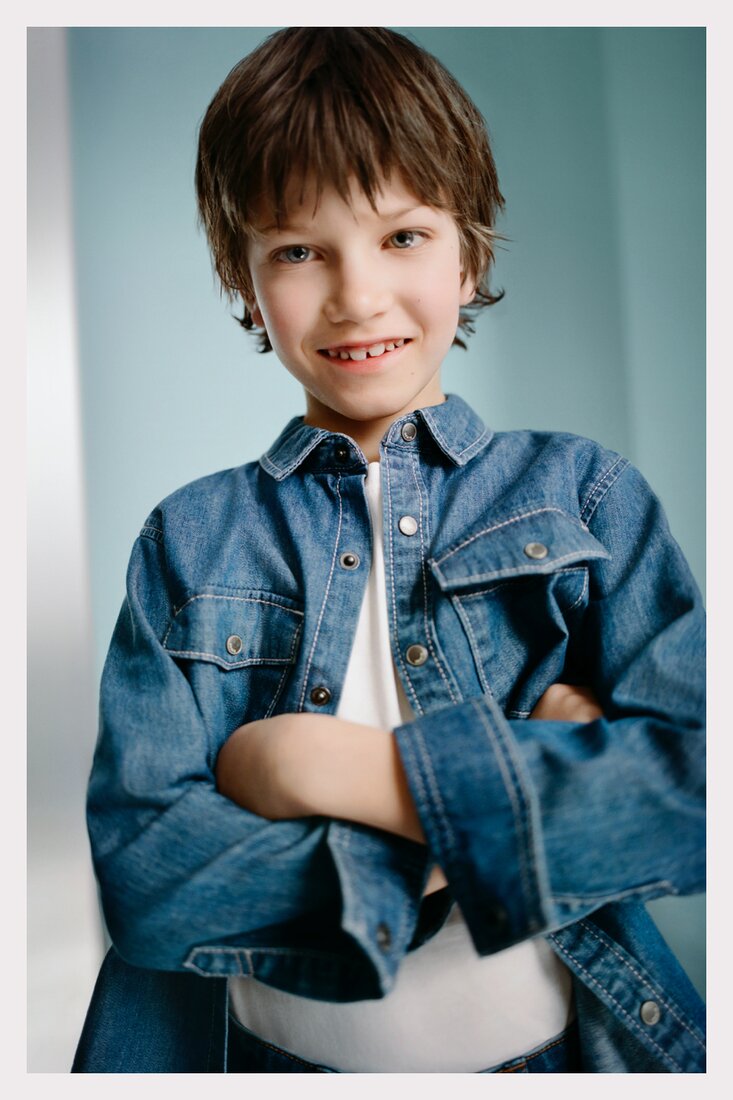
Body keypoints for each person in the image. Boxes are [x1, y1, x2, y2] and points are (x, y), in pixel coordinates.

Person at [72, 27, 705, 1073]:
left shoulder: (583, 496)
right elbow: (149, 878)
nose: (355, 296)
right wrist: (511, 799)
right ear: (244, 274)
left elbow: (688, 799)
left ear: (472, 248)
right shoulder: (189, 540)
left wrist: (327, 766)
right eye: (296, 250)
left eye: (401, 236)